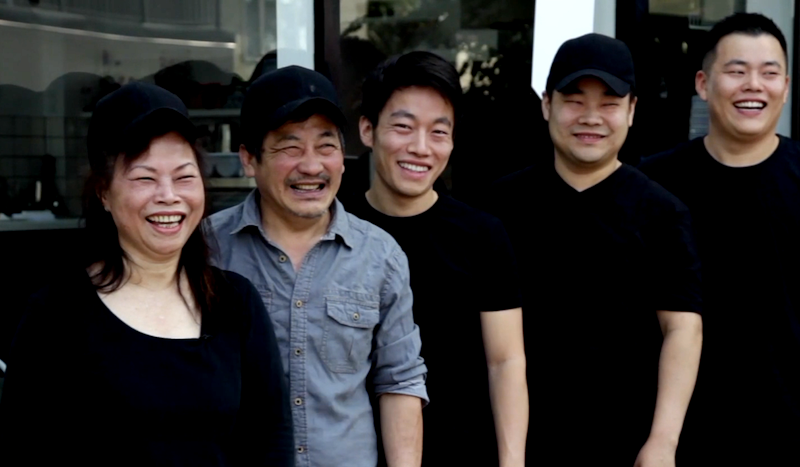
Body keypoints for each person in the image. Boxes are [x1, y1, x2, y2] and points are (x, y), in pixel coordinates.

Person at [0, 82, 294, 466]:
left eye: (184, 176)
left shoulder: (235, 303)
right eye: (145, 178)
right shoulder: (56, 314)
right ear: (104, 192)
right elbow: (22, 448)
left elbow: (271, 440)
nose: (168, 195)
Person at [482, 34, 703, 466]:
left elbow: (683, 329)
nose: (590, 117)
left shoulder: (662, 212)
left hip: (625, 443)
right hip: (516, 444)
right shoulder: (498, 207)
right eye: (574, 101)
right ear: (547, 105)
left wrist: (663, 440)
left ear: (632, 110)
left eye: (609, 103)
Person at [204, 66, 428, 467]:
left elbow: (400, 381)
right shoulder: (207, 250)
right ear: (249, 159)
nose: (311, 166)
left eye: (326, 146)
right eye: (290, 148)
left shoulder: (380, 256)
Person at [347, 51, 527, 467]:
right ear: (368, 129)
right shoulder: (338, 229)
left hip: (463, 451)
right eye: (403, 127)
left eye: (438, 132)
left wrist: (512, 460)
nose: (420, 148)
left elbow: (505, 361)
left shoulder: (482, 235)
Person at [639, 13, 800, 464]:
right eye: (736, 71)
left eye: (769, 73)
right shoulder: (653, 184)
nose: (754, 86)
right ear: (703, 84)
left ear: (786, 87)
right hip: (676, 438)